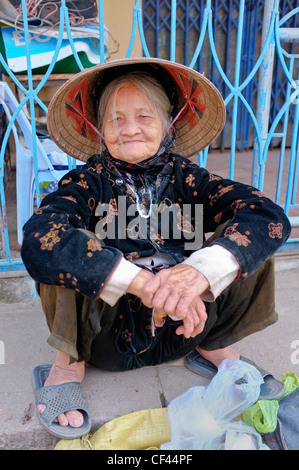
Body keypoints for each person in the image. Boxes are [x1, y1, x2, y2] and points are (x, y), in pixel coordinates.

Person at [21, 57, 291, 439]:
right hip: (107, 339)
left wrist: (197, 274)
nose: (129, 129)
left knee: (245, 241)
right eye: (116, 119)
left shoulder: (191, 179)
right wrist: (146, 284)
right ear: (100, 129)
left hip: (187, 327)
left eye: (144, 117)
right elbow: (37, 237)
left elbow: (270, 216)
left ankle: (214, 348)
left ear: (168, 124)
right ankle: (68, 364)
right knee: (64, 246)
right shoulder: (86, 182)